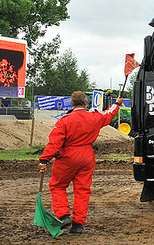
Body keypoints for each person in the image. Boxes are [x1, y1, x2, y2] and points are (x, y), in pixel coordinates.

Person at [38, 91, 123, 234]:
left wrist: (44, 159)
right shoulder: (95, 117)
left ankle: (63, 215)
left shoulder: (64, 121)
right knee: (82, 190)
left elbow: (55, 143)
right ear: (86, 103)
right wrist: (116, 104)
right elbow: (109, 115)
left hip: (67, 157)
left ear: (71, 103)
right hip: (87, 156)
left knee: (57, 186)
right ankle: (78, 225)